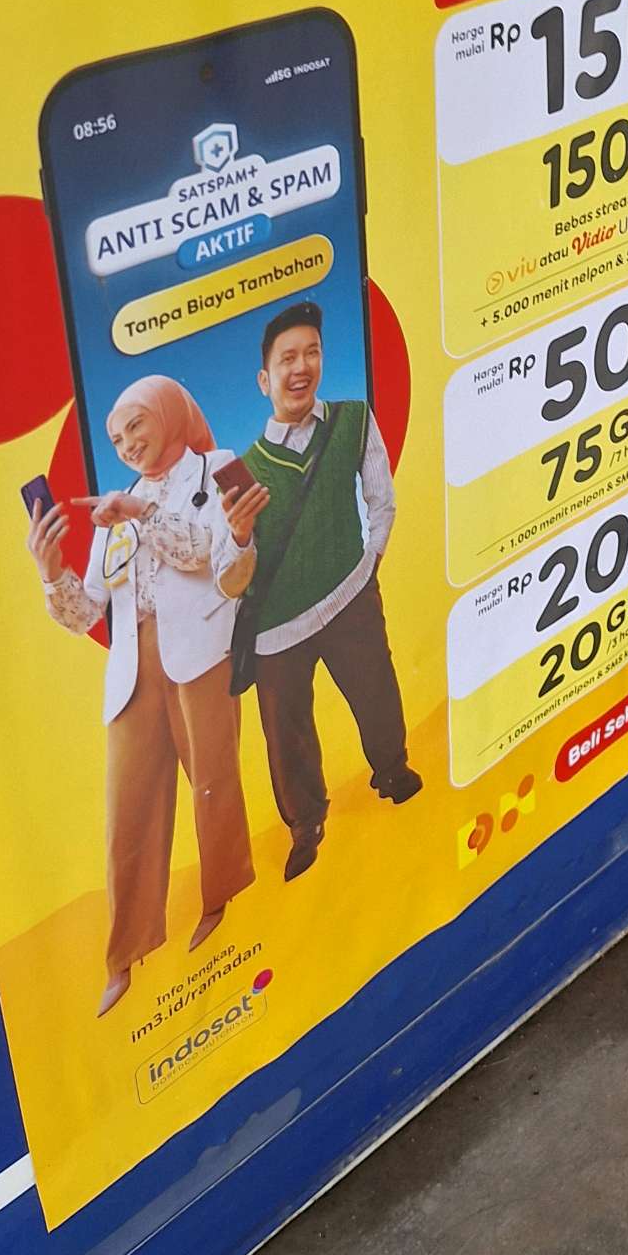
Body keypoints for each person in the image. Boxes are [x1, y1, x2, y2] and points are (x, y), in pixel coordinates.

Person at [26, 375, 270, 1018]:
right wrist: (52, 574)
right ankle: (125, 952)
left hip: (202, 654)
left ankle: (221, 894)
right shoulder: (119, 505)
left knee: (213, 783)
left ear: (167, 413)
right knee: (127, 810)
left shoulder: (221, 469)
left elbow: (215, 562)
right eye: (116, 437)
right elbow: (89, 613)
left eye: (136, 424)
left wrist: (143, 514)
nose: (128, 442)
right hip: (134, 664)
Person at [236, 300, 420, 880]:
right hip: (277, 628)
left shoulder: (352, 420)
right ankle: (305, 826)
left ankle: (392, 770)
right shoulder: (243, 471)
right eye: (287, 358)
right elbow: (234, 568)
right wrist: (237, 534)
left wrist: (370, 564)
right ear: (264, 378)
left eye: (311, 353)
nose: (302, 367)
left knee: (377, 689)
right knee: (286, 734)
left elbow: (381, 499)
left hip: (348, 595)